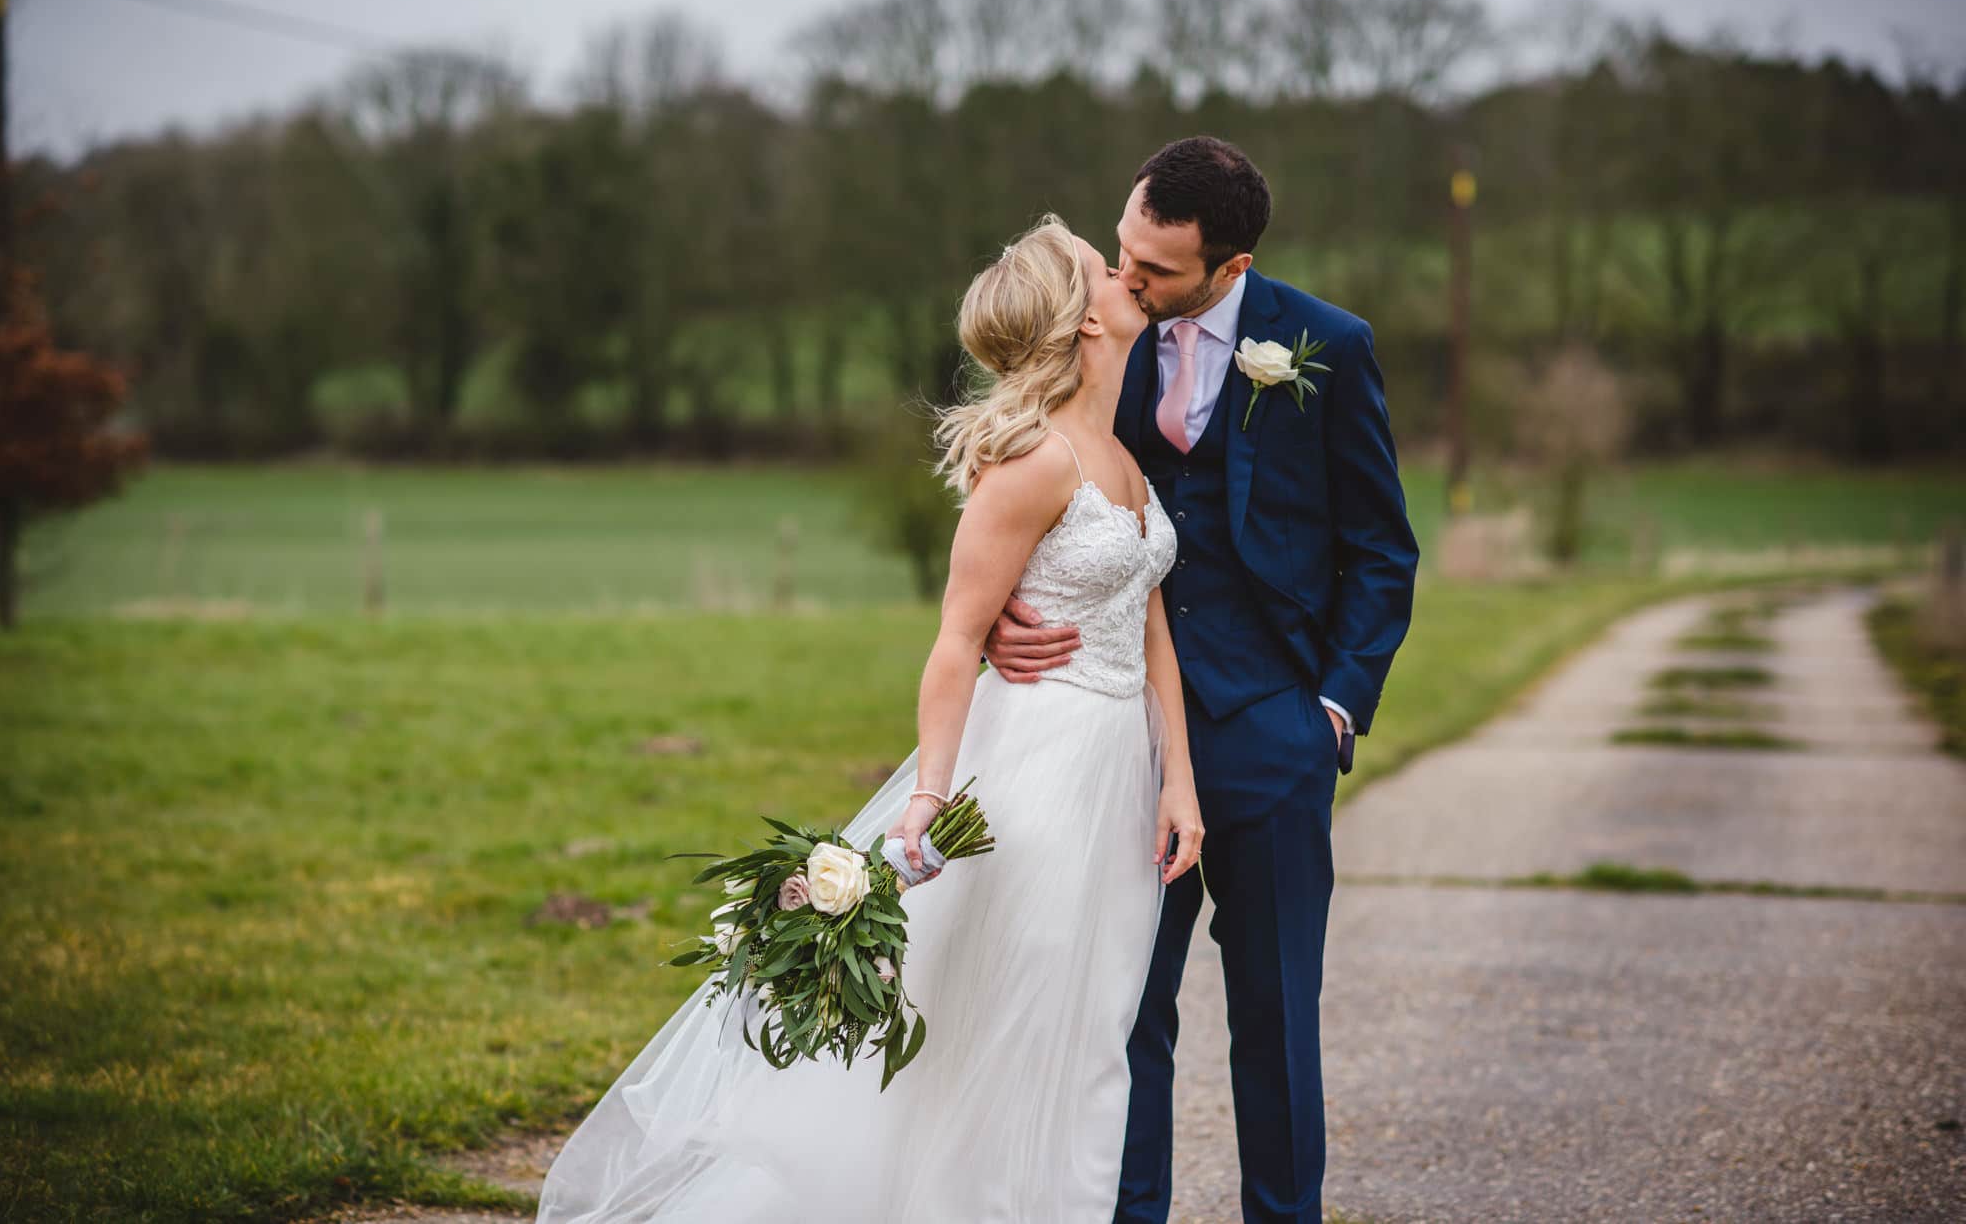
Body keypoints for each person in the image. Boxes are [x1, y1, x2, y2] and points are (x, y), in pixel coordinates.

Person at [535, 215, 1206, 1222]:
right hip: (1035, 773)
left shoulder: (1121, 459)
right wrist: (930, 790)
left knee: (1089, 1026)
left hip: (1116, 772)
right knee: (1010, 1025)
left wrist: (1178, 780)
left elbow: (1148, 620)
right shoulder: (1031, 466)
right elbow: (953, 639)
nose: (1122, 276)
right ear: (1081, 324)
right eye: (1099, 270)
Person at [984, 137, 1419, 1224]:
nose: (1125, 282)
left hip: (1273, 730)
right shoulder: (1104, 334)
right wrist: (999, 613)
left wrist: (1330, 709)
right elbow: (1022, 478)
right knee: (1124, 1011)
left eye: (1155, 270)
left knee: (1273, 1015)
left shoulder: (1327, 346)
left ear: (1228, 269)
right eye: (1121, 253)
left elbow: (1380, 550)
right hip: (1118, 732)